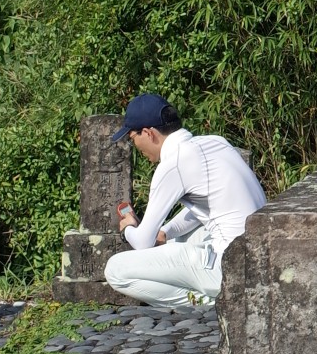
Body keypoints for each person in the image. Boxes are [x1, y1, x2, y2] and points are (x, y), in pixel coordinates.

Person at [102, 92, 266, 307]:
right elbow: (205, 209)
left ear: (148, 133)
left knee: (115, 269)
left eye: (133, 138)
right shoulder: (217, 142)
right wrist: (166, 232)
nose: (136, 148)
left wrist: (128, 229)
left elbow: (142, 242)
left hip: (230, 265)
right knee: (175, 239)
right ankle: (214, 290)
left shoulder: (174, 163)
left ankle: (210, 301)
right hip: (261, 254)